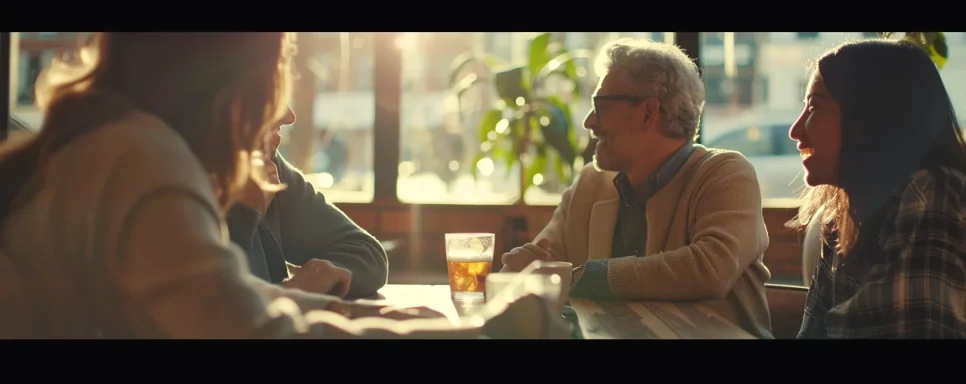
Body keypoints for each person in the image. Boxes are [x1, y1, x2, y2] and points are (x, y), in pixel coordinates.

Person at [0, 32, 564, 339]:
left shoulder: (112, 145)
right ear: (232, 81)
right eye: (280, 68)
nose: (288, 113)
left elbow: (227, 297)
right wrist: (481, 336)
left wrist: (362, 317)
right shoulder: (141, 161)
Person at [499, 38, 773, 339]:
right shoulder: (589, 184)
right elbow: (540, 267)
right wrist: (519, 272)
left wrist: (583, 277)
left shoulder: (725, 173)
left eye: (601, 107)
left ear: (648, 113)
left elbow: (710, 269)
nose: (589, 122)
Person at [789, 39, 966, 338]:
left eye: (814, 107)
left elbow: (905, 329)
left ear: (868, 116)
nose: (795, 131)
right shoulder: (840, 215)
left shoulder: (936, 191)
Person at [228, 106, 387, 300]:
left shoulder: (268, 168)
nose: (289, 117)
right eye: (272, 94)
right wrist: (245, 217)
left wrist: (324, 275)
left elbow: (367, 253)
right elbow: (221, 301)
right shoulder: (192, 182)